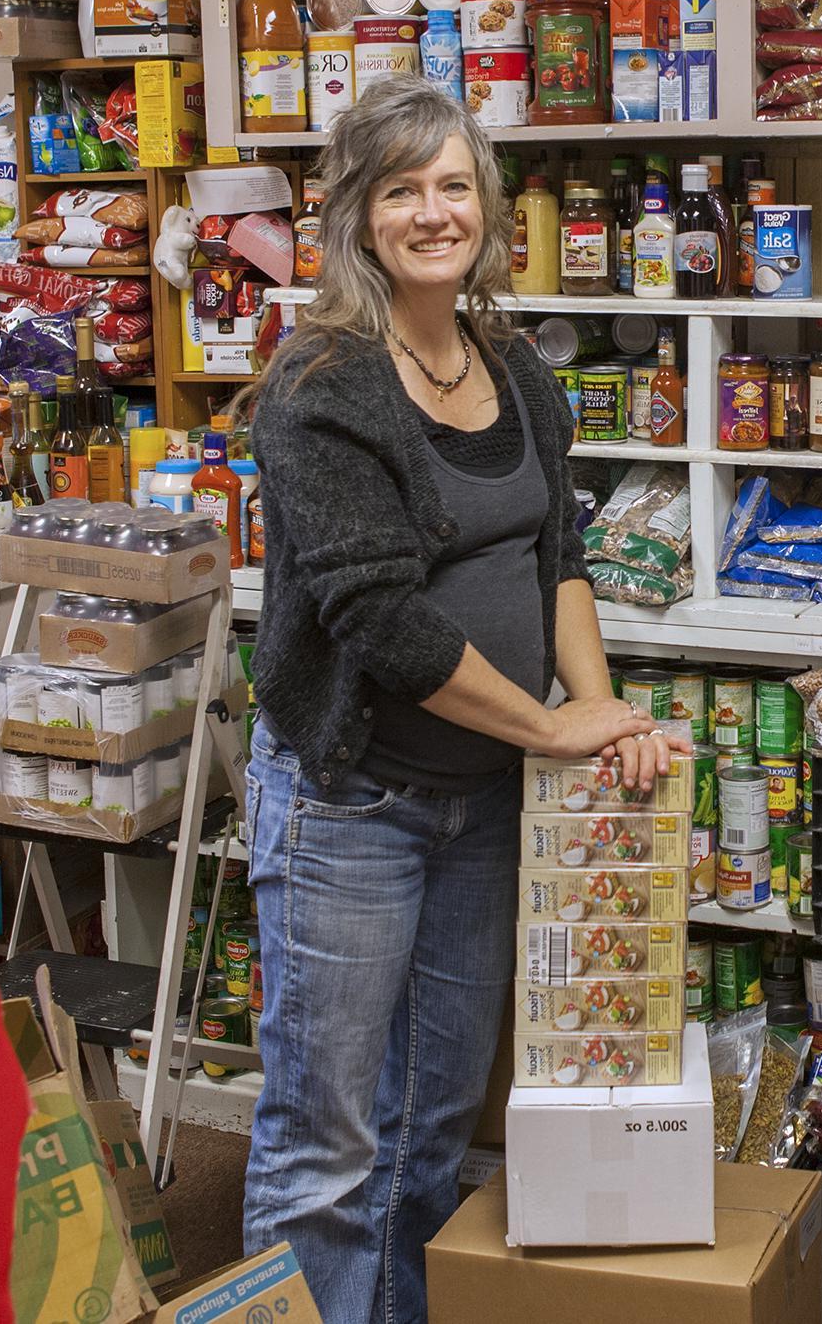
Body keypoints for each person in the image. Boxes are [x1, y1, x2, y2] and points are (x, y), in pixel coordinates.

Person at [243, 74, 679, 1320]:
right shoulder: (320, 384)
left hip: (483, 802)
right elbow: (377, 619)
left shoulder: (518, 369)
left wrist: (608, 716)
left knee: (431, 1120)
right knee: (324, 1140)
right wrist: (550, 724)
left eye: (452, 185)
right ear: (356, 217)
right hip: (351, 804)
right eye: (401, 191)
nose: (433, 213)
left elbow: (562, 559)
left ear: (485, 205)